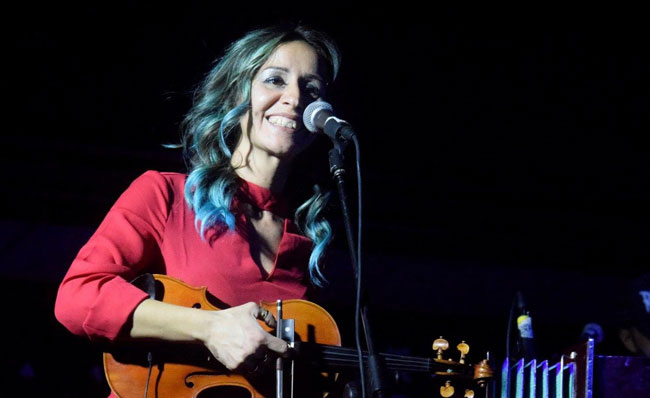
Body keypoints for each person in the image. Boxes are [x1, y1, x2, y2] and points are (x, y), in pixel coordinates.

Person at [54, 23, 342, 394]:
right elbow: (78, 297)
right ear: (237, 92)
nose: (295, 97)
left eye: (311, 89)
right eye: (274, 80)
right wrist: (210, 327)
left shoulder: (307, 240)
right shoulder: (166, 195)